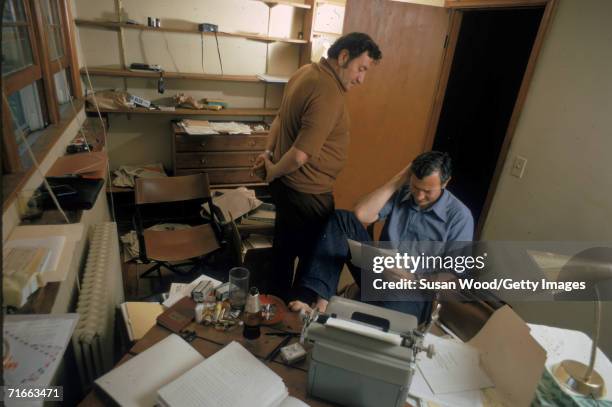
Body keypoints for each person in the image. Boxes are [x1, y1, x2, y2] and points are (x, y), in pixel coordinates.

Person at [253, 33, 382, 300]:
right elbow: (301, 155)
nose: (361, 79)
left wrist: (268, 156)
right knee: (316, 266)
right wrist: (272, 169)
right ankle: (299, 317)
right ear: (343, 57)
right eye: (361, 69)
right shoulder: (327, 91)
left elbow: (278, 118)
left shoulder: (304, 72)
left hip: (289, 187)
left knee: (284, 252)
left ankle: (274, 306)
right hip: (307, 194)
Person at [288, 151, 474, 323]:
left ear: (445, 182)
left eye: (427, 191)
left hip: (412, 289)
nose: (418, 195)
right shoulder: (404, 192)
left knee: (374, 323)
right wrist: (401, 177)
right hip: (379, 270)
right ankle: (322, 301)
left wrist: (411, 277)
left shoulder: (460, 217)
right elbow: (361, 214)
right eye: (415, 186)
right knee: (343, 219)